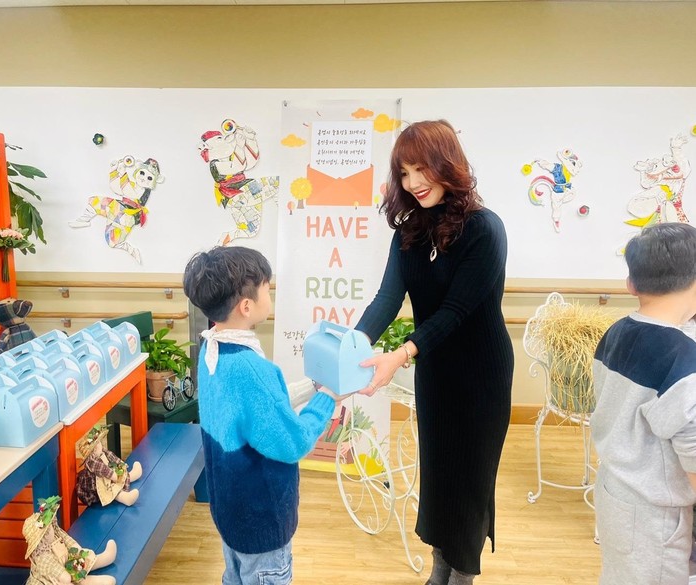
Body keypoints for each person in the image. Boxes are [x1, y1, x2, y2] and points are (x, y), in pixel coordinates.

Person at [355, 119, 514, 585]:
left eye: (421, 168)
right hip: (437, 372)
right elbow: (387, 299)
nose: (413, 182)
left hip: (480, 374)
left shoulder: (485, 229)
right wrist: (353, 343)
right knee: (440, 474)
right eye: (404, 173)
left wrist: (402, 353)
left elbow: (456, 311)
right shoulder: (409, 231)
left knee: (470, 477)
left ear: (447, 163)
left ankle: (461, 576)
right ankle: (439, 569)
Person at [183, 245, 343, 585]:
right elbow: (293, 443)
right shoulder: (250, 369)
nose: (271, 295)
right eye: (267, 289)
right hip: (261, 522)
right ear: (246, 306)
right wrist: (327, 399)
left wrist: (311, 387)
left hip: (231, 513)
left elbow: (259, 410)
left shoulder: (212, 349)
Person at [592, 222, 696, 585]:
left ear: (631, 284)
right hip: (655, 518)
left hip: (615, 492)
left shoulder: (617, 332)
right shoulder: (682, 361)